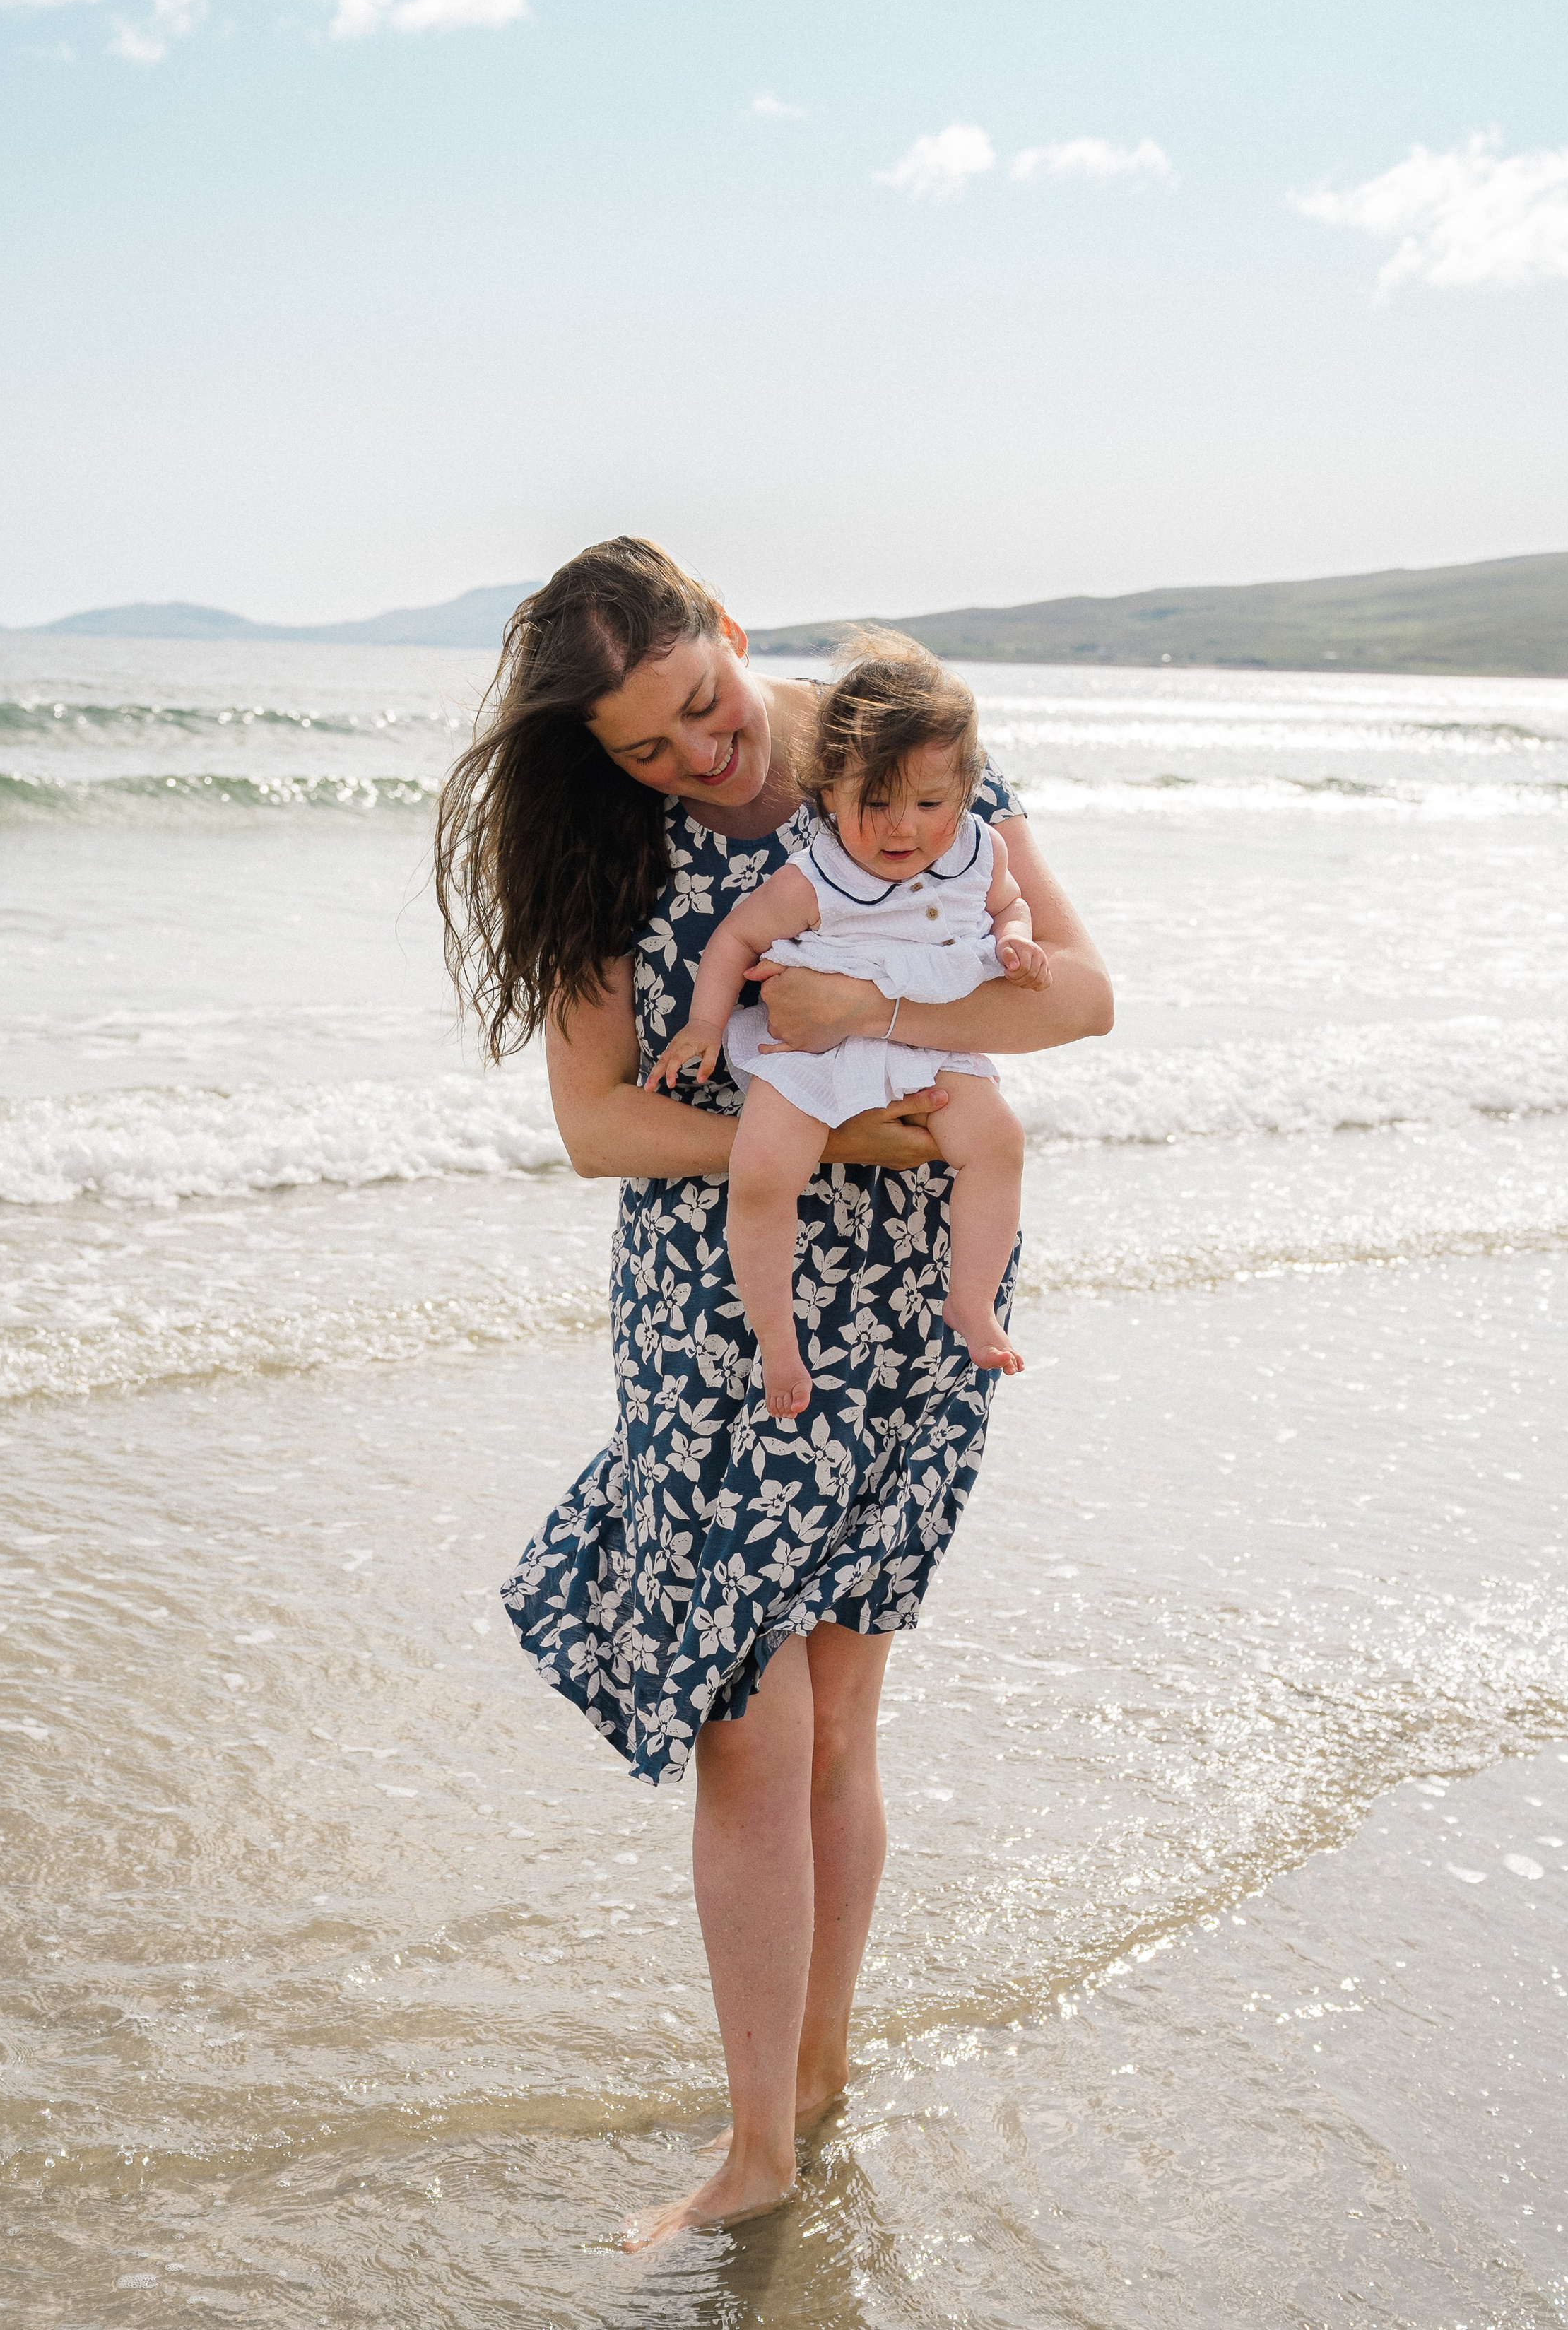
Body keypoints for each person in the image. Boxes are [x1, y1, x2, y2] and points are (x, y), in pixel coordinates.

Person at [435, 536, 1113, 2245]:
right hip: (715, 1314)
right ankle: (758, 2136)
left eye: (701, 709)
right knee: (753, 1725)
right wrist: (829, 1138)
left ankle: (806, 2083)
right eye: (644, 748)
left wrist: (881, 1020)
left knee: (839, 1729)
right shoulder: (602, 841)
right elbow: (597, 1124)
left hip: (909, 1303)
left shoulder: (893, 749)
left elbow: (1079, 994)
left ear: (730, 636)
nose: (693, 759)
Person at [645, 636, 1050, 1418]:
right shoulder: (814, 875)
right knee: (762, 1174)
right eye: (876, 802)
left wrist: (1014, 940)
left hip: (925, 1041)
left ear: (964, 790)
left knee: (998, 1143)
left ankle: (971, 1299)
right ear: (829, 793)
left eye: (930, 803)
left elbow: (1009, 903)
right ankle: (777, 1340)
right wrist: (702, 1024)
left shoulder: (977, 851)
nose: (903, 827)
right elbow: (734, 936)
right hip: (811, 1048)